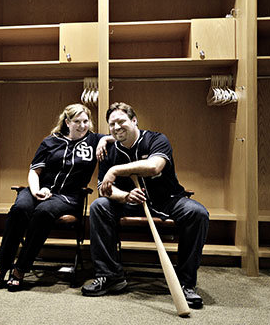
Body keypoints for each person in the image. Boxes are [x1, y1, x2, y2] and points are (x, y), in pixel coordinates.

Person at [81, 102, 209, 309]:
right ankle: (110, 275)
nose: (116, 127)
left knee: (198, 213)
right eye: (112, 124)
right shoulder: (107, 149)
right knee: (99, 206)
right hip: (130, 202)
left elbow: (154, 166)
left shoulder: (157, 139)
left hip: (167, 199)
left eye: (121, 121)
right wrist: (124, 196)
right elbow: (104, 188)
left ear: (134, 121)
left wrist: (115, 170)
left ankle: (186, 283)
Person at [0, 103, 113, 292]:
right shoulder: (50, 141)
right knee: (19, 209)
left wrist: (105, 140)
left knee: (43, 212)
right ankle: (1, 267)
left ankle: (20, 269)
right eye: (77, 121)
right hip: (38, 189)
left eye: (86, 121)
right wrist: (37, 190)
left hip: (68, 197)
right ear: (67, 122)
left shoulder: (94, 140)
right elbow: (34, 171)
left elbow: (122, 136)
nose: (82, 125)